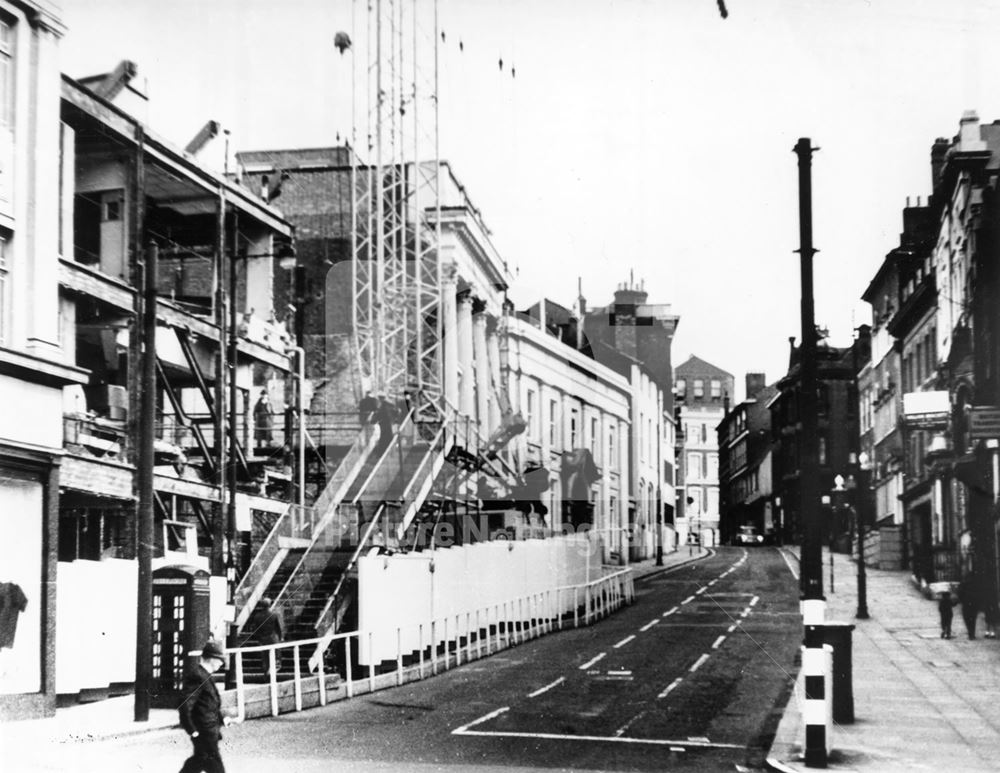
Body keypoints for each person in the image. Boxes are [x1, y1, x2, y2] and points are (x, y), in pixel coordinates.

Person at [178, 639, 231, 773]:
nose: (221, 663)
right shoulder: (198, 676)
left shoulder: (205, 675)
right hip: (204, 731)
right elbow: (186, 704)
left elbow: (208, 704)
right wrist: (192, 730)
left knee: (198, 761)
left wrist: (222, 718)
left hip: (208, 731)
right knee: (216, 768)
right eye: (220, 660)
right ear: (212, 659)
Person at [252, 597, 283, 678]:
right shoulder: (274, 615)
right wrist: (280, 638)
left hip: (263, 639)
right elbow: (278, 628)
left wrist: (259, 639)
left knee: (265, 658)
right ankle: (273, 673)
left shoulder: (257, 616)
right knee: (276, 656)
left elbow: (255, 630)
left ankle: (266, 673)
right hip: (273, 638)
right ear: (270, 605)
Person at [958, 574, 980, 640]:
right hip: (973, 605)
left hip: (966, 604)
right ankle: (972, 633)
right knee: (973, 619)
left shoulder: (963, 584)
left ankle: (970, 633)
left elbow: (960, 594)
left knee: (967, 619)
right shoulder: (976, 584)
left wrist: (962, 601)